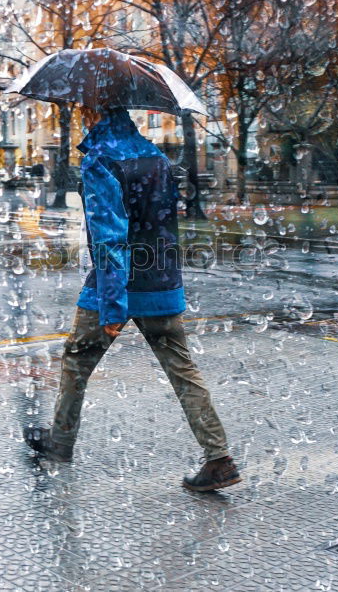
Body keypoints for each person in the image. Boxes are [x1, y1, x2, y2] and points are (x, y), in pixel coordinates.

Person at [24, 106, 240, 492]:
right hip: (161, 279)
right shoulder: (156, 157)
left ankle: (60, 443)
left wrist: (112, 303)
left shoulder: (100, 159)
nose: (80, 114)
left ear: (94, 110)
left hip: (116, 282)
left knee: (77, 360)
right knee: (182, 370)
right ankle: (219, 458)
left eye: (83, 107)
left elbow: (109, 236)